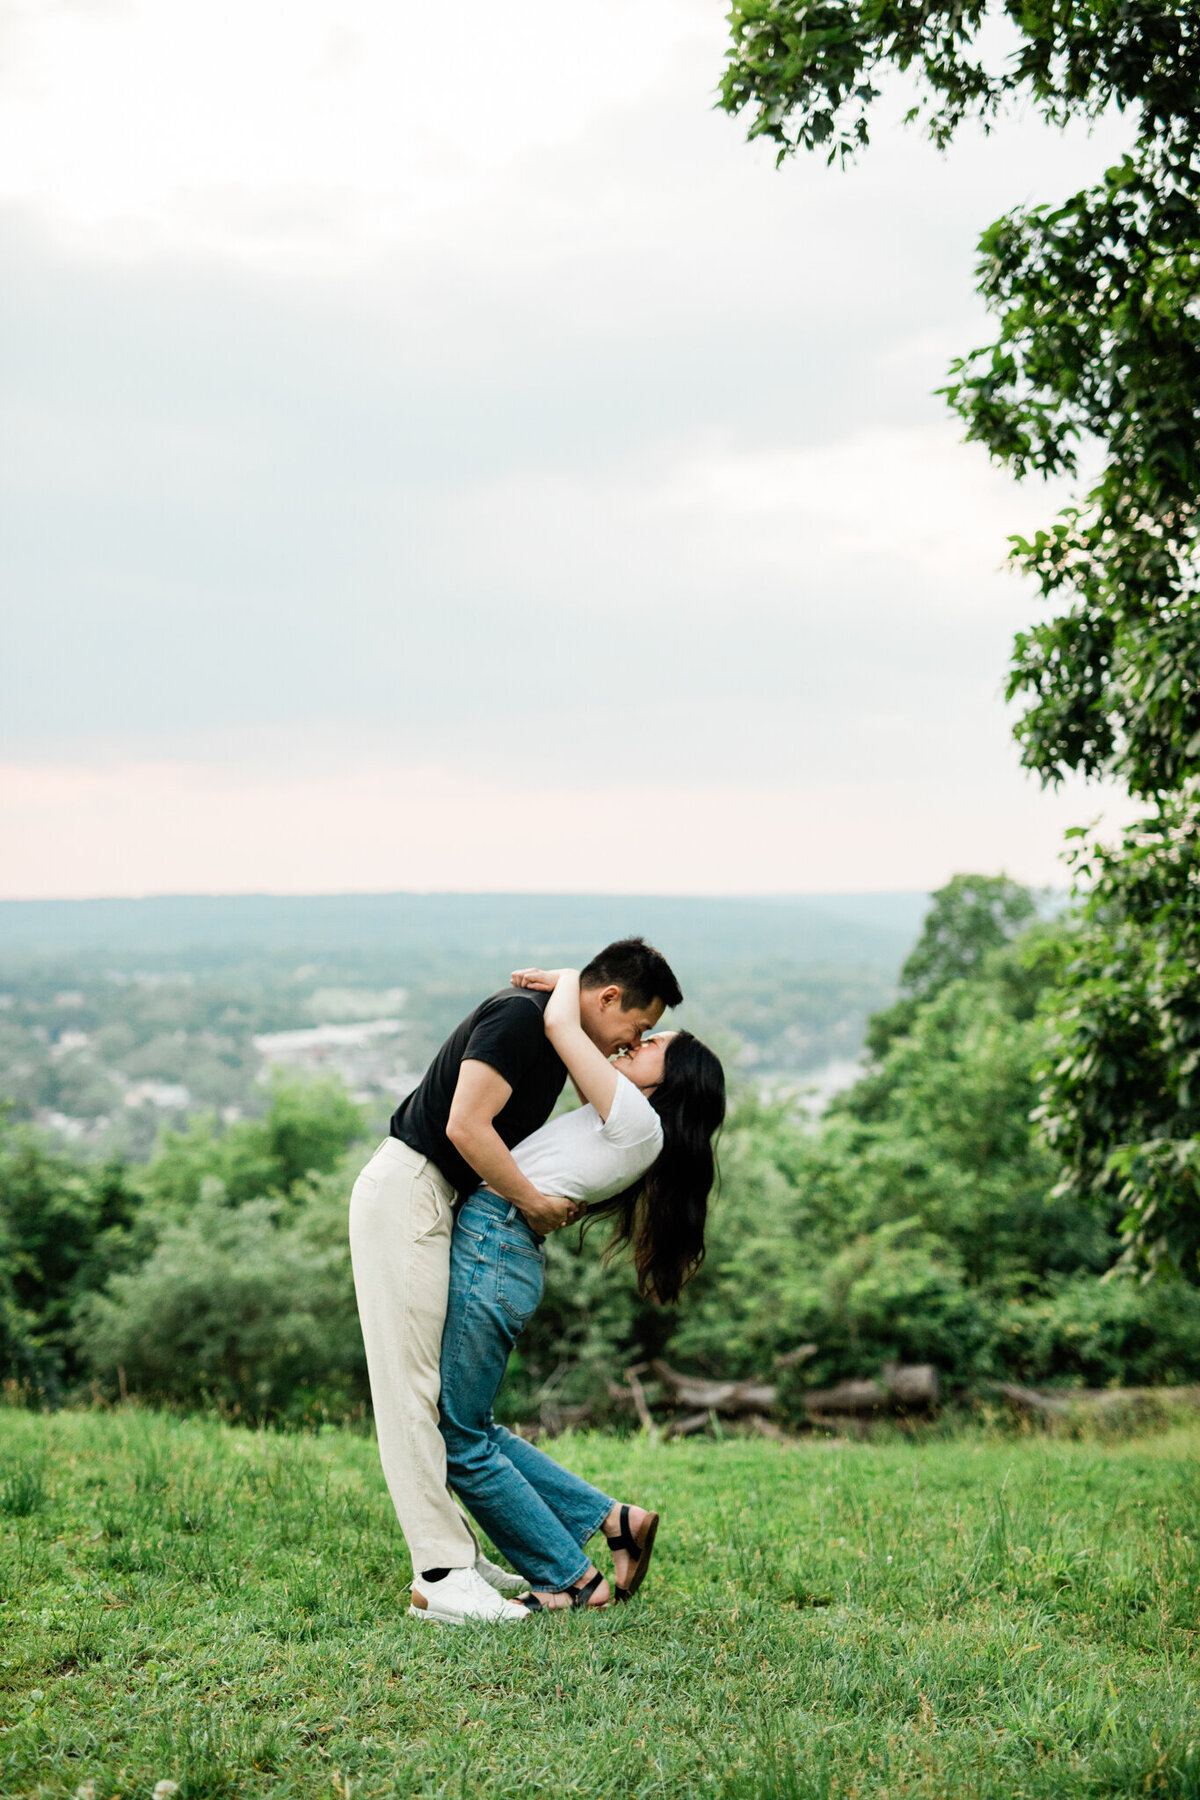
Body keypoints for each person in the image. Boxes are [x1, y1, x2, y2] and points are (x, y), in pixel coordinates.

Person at [348, 937, 683, 1627]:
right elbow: (464, 1126)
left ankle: (460, 1561)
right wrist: (532, 1201)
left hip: (440, 1201)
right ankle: (440, 1575)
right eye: (638, 1027)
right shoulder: (521, 1019)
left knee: (440, 1400)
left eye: (645, 1041)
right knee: (412, 1392)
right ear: (609, 997)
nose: (629, 1043)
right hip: (410, 1190)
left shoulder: (556, 1039)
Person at [437, 965, 725, 1614]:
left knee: (458, 1438)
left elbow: (562, 1024)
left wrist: (572, 976)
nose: (633, 1046)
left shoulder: (635, 1120)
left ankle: (570, 1579)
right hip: (502, 1243)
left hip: (494, 1243)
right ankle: (613, 1520)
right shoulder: (628, 1122)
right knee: (473, 1425)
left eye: (652, 1044)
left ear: (671, 1080)